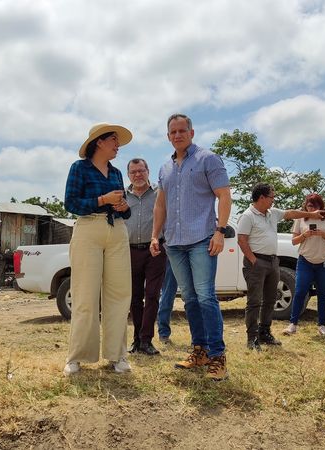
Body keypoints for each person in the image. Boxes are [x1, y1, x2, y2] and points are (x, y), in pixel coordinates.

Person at [151, 113, 232, 381]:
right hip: (174, 243)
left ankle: (218, 356)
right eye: (173, 132)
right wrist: (155, 236)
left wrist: (220, 231)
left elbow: (224, 195)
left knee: (206, 296)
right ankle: (200, 351)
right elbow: (160, 205)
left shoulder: (208, 159)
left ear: (192, 132)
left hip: (201, 239)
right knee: (189, 299)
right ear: (168, 136)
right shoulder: (165, 168)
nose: (177, 135)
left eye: (182, 130)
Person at [63, 123, 133, 376]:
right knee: (85, 295)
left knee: (119, 294)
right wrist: (103, 200)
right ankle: (77, 357)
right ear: (99, 142)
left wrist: (124, 206)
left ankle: (118, 355)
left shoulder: (116, 173)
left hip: (117, 230)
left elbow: (126, 208)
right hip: (88, 229)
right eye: (113, 139)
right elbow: (70, 203)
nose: (118, 145)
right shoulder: (79, 168)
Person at [237, 183, 325, 352]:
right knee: (254, 301)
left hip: (272, 261)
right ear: (262, 198)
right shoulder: (248, 216)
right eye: (271, 197)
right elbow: (242, 240)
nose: (273, 200)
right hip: (256, 262)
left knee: (270, 300)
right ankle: (252, 338)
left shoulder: (272, 213)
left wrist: (311, 214)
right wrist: (253, 260)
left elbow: (291, 213)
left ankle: (265, 333)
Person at [125, 158, 166, 355]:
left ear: (148, 171)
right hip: (130, 251)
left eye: (141, 171)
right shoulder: (122, 196)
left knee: (152, 295)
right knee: (134, 297)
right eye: (133, 172)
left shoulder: (160, 193)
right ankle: (136, 340)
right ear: (128, 175)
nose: (137, 175)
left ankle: (146, 340)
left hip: (155, 250)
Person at [283, 193, 325, 337]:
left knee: (323, 293)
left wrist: (322, 234)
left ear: (320, 206)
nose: (311, 208)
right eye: (309, 205)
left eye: (314, 206)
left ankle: (322, 325)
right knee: (300, 291)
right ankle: (293, 324)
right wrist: (305, 235)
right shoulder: (300, 218)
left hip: (324, 262)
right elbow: (294, 241)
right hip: (305, 261)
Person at [156, 260, 178, 344]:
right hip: (171, 255)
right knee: (167, 294)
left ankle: (198, 339)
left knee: (167, 294)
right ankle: (163, 334)